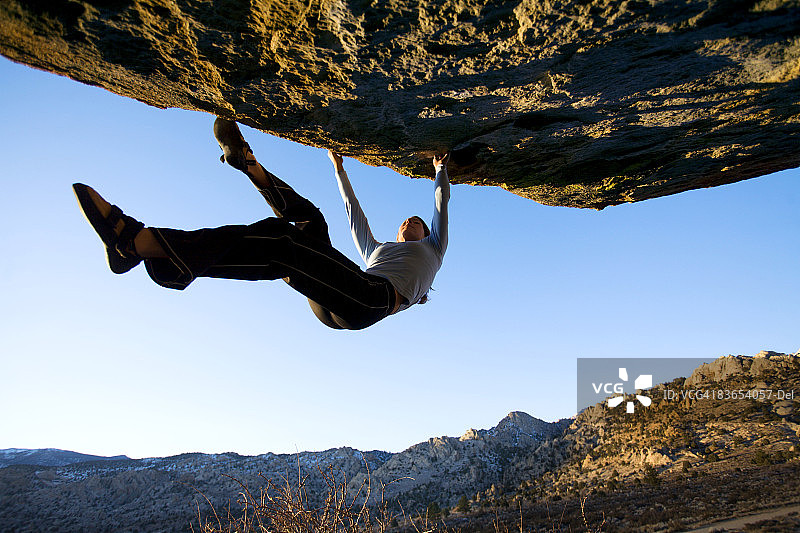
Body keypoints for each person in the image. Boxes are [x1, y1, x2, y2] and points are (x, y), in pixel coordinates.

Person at [73, 119, 450, 330]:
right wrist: (339, 169)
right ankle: (250, 164)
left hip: (371, 300)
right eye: (405, 220)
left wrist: (440, 171)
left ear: (425, 233)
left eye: (415, 222)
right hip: (343, 289)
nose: (408, 222)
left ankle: (137, 243)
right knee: (309, 222)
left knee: (284, 246)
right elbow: (354, 212)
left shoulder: (433, 248)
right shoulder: (378, 250)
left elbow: (439, 204)